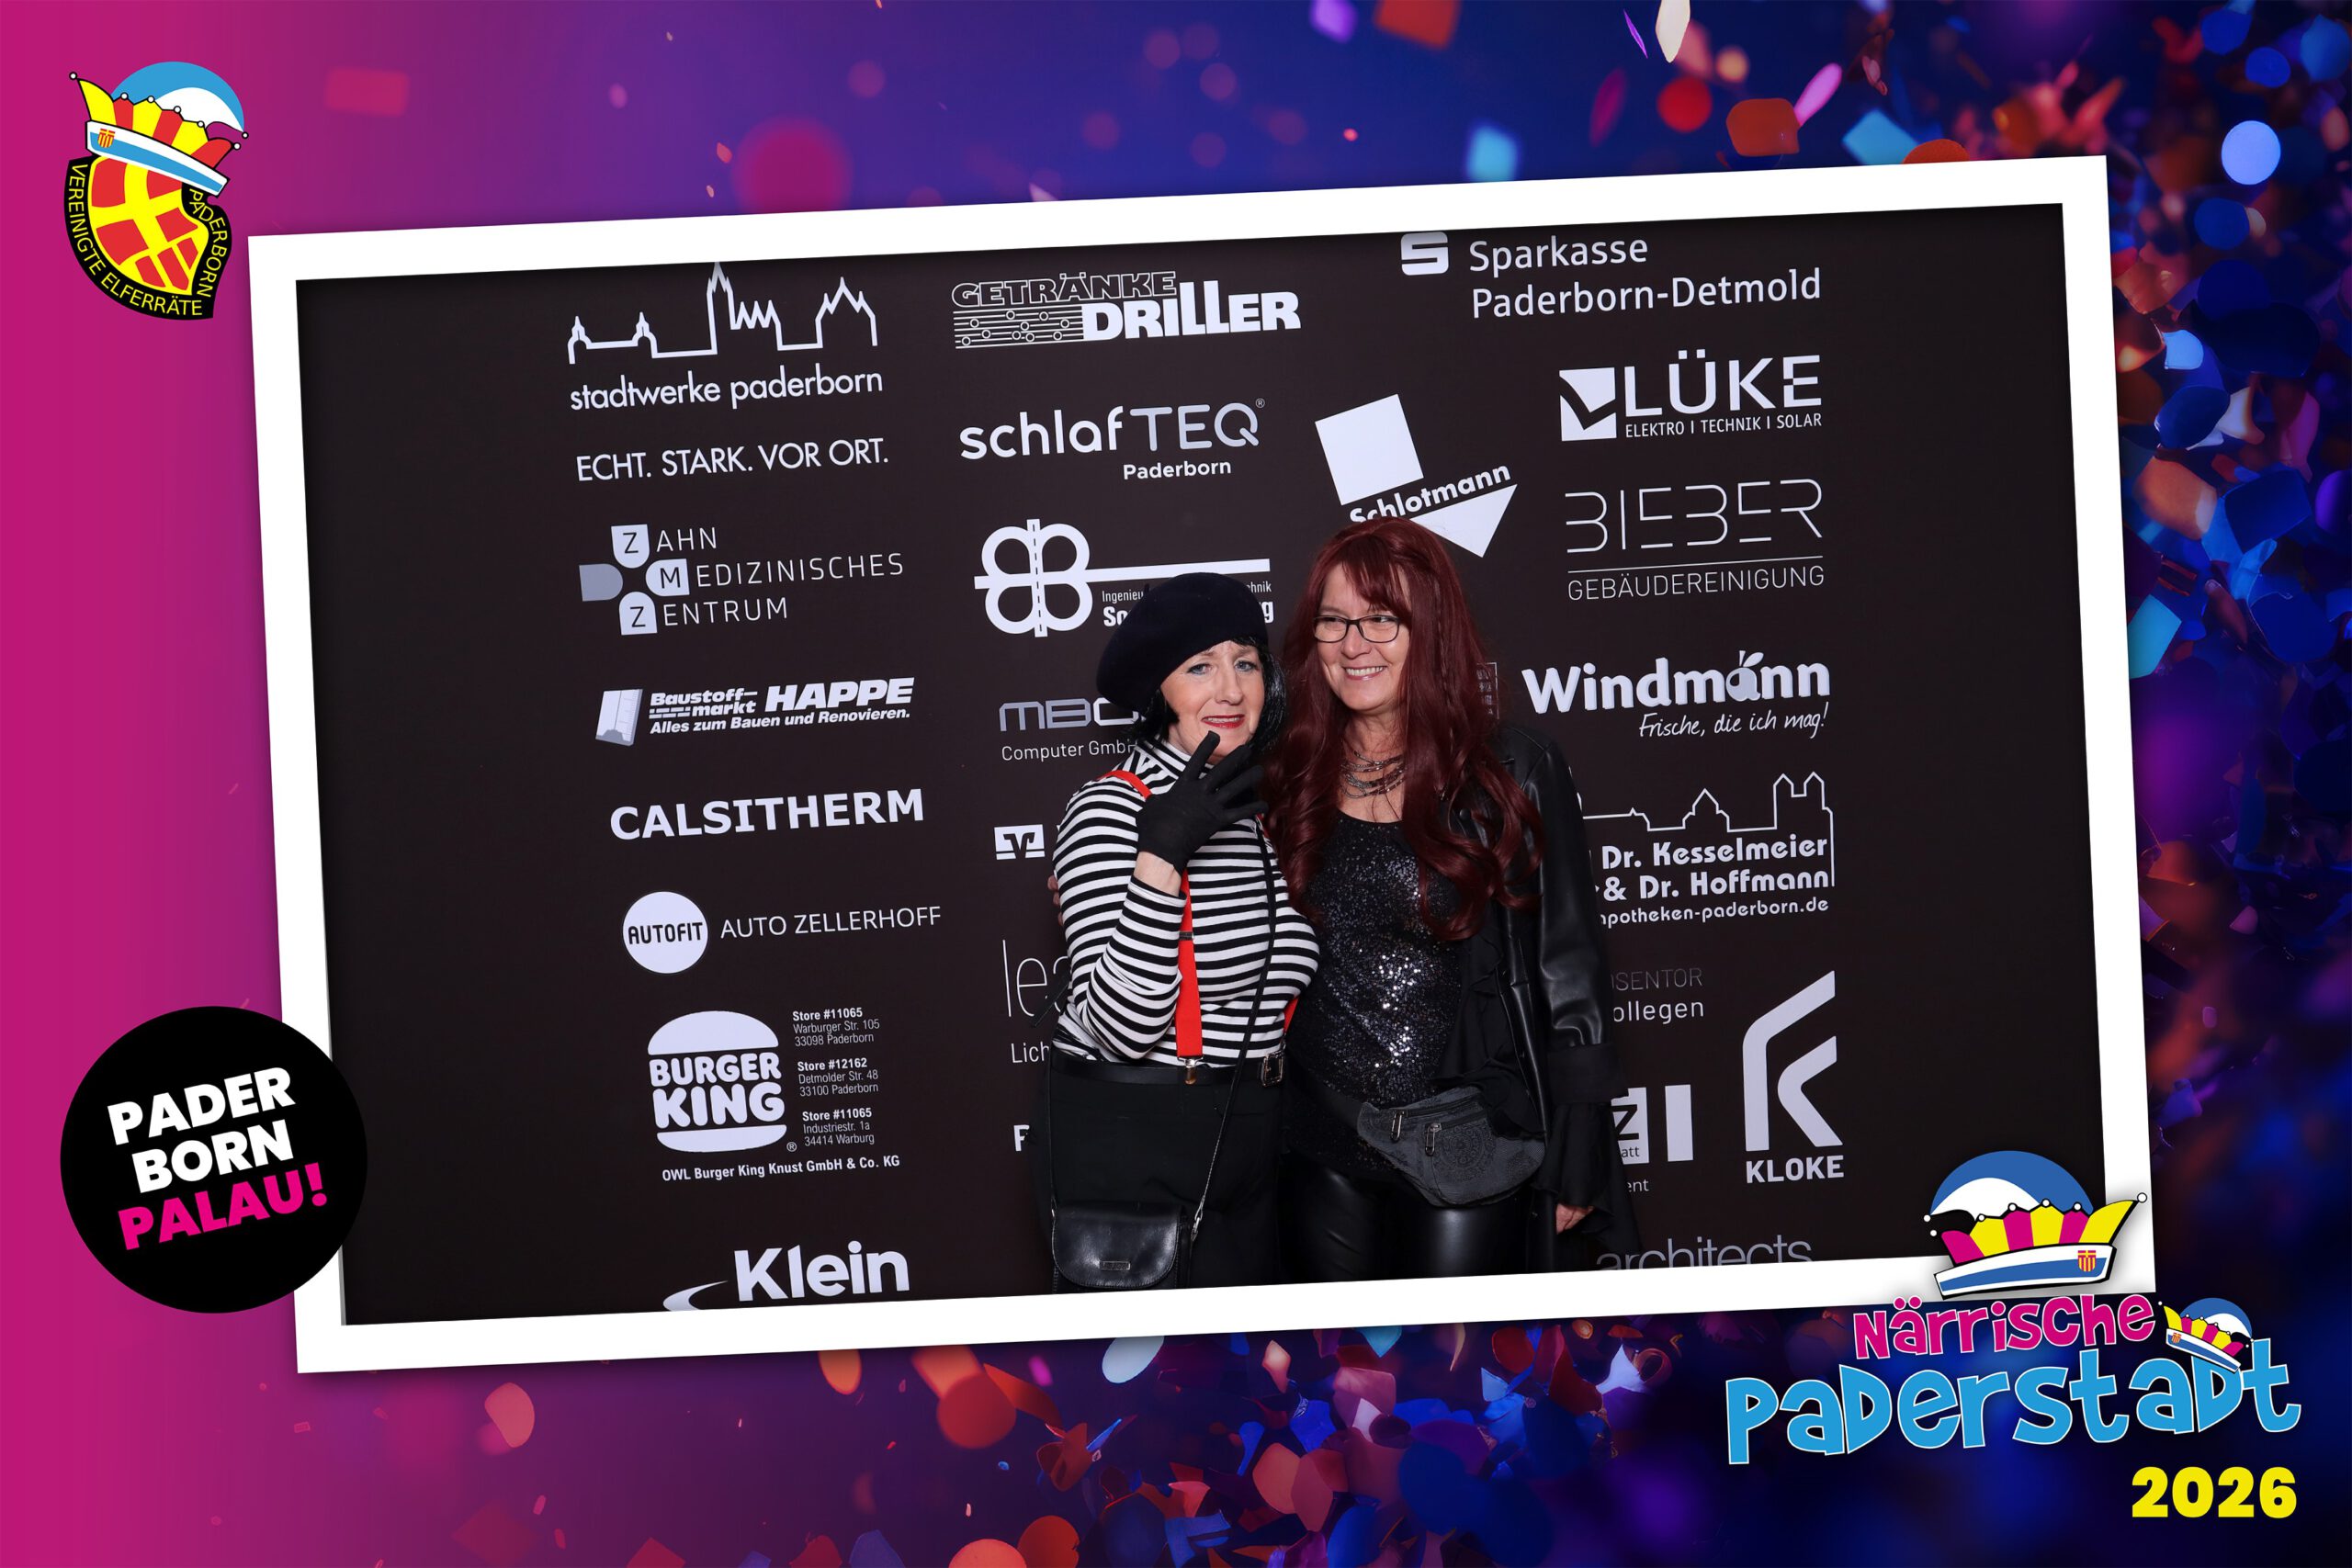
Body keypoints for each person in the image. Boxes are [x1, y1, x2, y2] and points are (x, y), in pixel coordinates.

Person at [1268, 517, 1633, 1280]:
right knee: (1340, 1357)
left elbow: (1570, 968)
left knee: (1457, 1356)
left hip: (1469, 1144)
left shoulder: (1510, 771)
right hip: (1321, 1143)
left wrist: (1580, 1139)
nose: (1354, 644)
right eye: (1334, 621)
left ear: (1429, 629)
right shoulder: (1290, 773)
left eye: (1382, 619)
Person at [1035, 573, 1320, 1289]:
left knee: (1254, 1358)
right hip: (1144, 1138)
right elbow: (1122, 1028)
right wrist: (1159, 859)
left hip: (1252, 1135)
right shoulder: (1109, 809)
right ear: (1160, 692)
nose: (1230, 688)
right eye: (1199, 666)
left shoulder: (1257, 815)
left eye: (1245, 662)